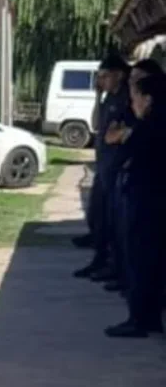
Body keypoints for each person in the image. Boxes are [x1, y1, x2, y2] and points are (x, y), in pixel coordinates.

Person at [105, 73, 166, 338]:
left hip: (146, 201)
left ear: (148, 99)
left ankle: (139, 318)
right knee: (151, 262)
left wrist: (128, 135)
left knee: (140, 260)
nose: (133, 104)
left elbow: (131, 155)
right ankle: (149, 316)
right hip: (153, 201)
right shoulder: (155, 125)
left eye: (136, 98)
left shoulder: (148, 128)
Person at [74, 55, 131, 285]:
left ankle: (113, 265)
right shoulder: (109, 98)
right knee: (97, 213)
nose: (101, 81)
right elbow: (96, 124)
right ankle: (100, 257)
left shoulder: (126, 98)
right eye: (99, 77)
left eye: (105, 76)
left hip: (116, 167)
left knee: (112, 220)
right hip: (104, 165)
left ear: (119, 74)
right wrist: (98, 96)